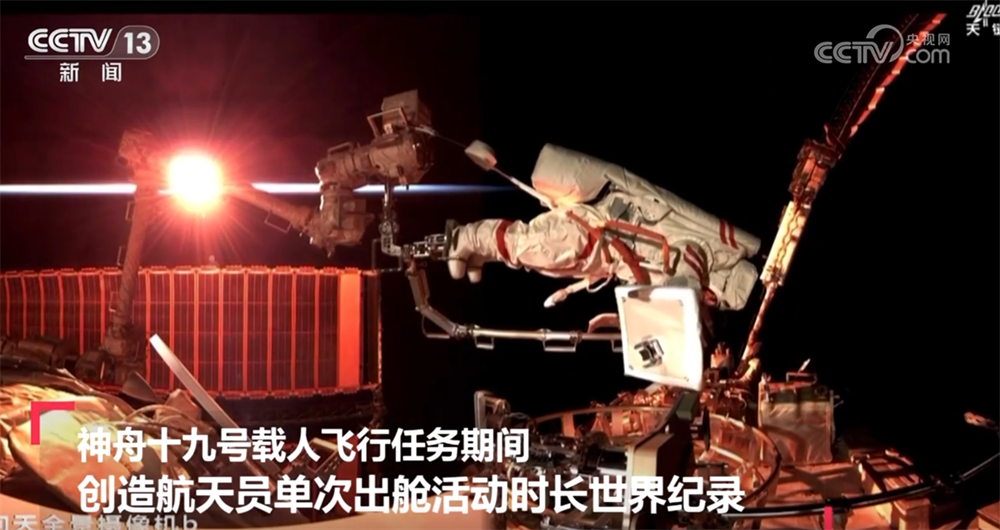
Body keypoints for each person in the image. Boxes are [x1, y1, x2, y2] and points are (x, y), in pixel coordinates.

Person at [447, 144, 761, 334]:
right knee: (533, 246)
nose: (712, 303)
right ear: (723, 285)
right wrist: (687, 296)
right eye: (716, 300)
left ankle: (482, 253)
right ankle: (464, 238)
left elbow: (647, 284)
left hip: (605, 256)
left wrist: (627, 318)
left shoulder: (693, 281)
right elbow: (689, 252)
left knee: (539, 262)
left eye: (716, 306)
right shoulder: (709, 255)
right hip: (598, 231)